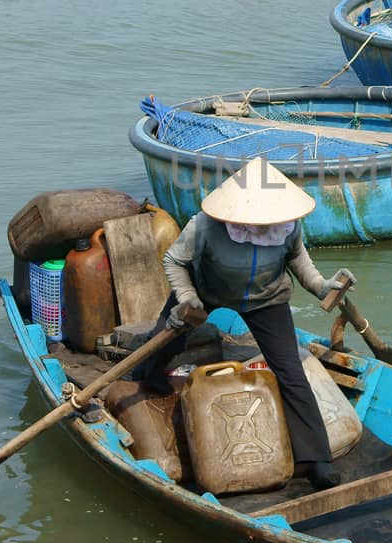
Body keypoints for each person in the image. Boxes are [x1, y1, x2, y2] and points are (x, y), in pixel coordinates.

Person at [133, 157, 352, 491]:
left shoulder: (287, 225)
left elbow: (297, 259)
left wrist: (320, 285)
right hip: (207, 290)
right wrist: (187, 297)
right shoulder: (205, 225)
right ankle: (147, 373)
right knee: (167, 339)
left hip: (267, 298)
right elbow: (174, 260)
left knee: (291, 372)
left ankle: (316, 459)